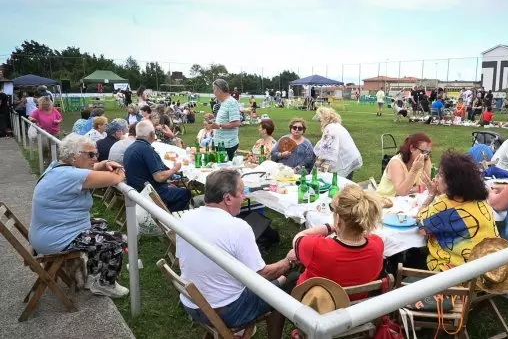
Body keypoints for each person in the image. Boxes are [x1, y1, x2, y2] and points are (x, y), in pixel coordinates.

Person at [177, 169, 295, 338]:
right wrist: (288, 261)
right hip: (224, 311)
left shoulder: (186, 218)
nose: (245, 197)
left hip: (192, 303)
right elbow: (263, 275)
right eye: (241, 192)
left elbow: (181, 259)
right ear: (228, 198)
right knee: (287, 281)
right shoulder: (238, 228)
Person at [28, 134, 128, 297]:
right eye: (90, 154)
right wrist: (119, 172)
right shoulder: (71, 175)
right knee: (117, 241)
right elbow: (116, 178)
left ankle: (91, 274)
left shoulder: (58, 168)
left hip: (48, 233)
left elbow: (90, 170)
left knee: (100, 224)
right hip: (55, 239)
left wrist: (104, 164)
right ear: (74, 156)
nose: (95, 158)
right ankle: (104, 284)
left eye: (96, 154)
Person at [292, 185, 384, 298]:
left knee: (292, 277)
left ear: (339, 219)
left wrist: (331, 227)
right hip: (354, 309)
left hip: (315, 307)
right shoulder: (377, 245)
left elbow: (299, 237)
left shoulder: (316, 248)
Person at [418, 151, 500, 272]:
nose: (436, 179)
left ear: (452, 182)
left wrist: (431, 195)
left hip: (458, 277)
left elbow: (422, 227)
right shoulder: (481, 201)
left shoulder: (444, 204)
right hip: (490, 272)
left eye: (440, 175)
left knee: (417, 257)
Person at [124, 121, 191, 212]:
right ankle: (168, 218)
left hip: (136, 189)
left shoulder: (131, 148)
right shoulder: (147, 150)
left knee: (174, 188)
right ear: (152, 134)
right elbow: (159, 177)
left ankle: (165, 211)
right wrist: (174, 169)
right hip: (149, 193)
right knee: (185, 193)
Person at [313, 107, 362, 179]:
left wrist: (320, 161)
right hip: (350, 159)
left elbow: (327, 149)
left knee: (340, 184)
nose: (319, 123)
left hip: (346, 160)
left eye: (320, 121)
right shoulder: (336, 126)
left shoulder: (330, 128)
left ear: (324, 119)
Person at [212, 79, 241, 160]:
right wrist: (213, 120)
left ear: (219, 90)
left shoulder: (231, 102)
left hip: (228, 145)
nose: (213, 92)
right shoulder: (224, 102)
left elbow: (236, 123)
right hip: (221, 143)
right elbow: (224, 120)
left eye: (214, 89)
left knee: (226, 170)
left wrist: (219, 125)